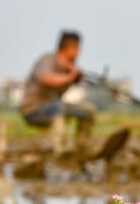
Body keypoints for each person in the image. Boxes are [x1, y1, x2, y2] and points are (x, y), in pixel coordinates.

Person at [20, 30, 94, 159]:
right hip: (33, 110)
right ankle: (61, 151)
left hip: (54, 107)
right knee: (59, 108)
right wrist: (69, 77)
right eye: (78, 49)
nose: (79, 53)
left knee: (87, 111)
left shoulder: (70, 67)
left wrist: (76, 77)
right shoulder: (47, 60)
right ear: (71, 48)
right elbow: (46, 79)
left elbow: (77, 81)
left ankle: (82, 148)